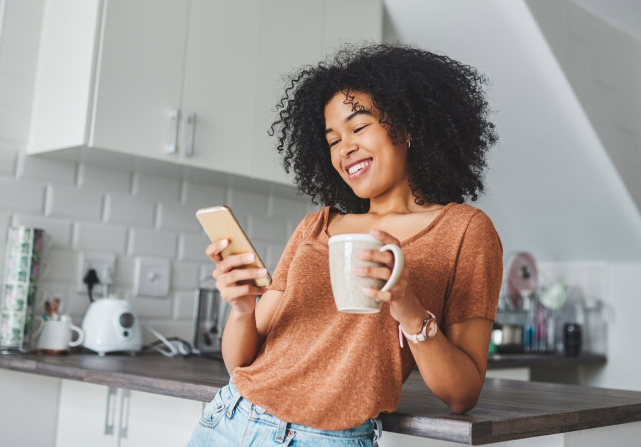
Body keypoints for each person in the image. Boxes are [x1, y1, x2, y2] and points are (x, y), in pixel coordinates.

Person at [187, 43, 503, 447]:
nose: (345, 148)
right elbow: (240, 364)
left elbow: (463, 394)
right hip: (230, 420)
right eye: (333, 139)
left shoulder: (464, 231)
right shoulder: (316, 226)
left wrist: (408, 309)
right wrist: (242, 308)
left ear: (407, 126)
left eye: (358, 127)